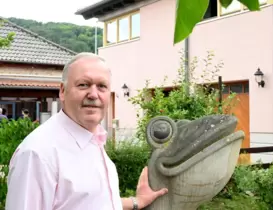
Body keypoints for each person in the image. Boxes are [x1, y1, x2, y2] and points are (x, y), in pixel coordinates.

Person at [5, 52, 168, 210]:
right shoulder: (38, 154)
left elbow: (90, 201)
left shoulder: (94, 140)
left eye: (102, 86)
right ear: (62, 91)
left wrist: (136, 201)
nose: (93, 94)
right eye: (83, 85)